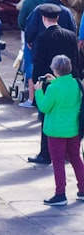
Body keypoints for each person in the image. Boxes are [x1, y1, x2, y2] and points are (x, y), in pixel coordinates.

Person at [29, 3, 81, 166]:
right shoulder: (71, 35)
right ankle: (68, 152)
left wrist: (37, 82)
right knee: (71, 116)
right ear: (57, 18)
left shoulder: (43, 37)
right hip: (69, 82)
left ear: (44, 19)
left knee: (48, 118)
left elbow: (38, 62)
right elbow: (77, 60)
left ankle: (46, 154)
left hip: (49, 83)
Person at [36, 54, 84, 205]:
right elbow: (65, 93)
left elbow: (44, 107)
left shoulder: (53, 88)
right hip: (73, 129)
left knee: (58, 162)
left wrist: (38, 91)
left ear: (55, 69)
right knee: (76, 159)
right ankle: (82, 188)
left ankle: (60, 194)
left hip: (56, 131)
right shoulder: (76, 83)